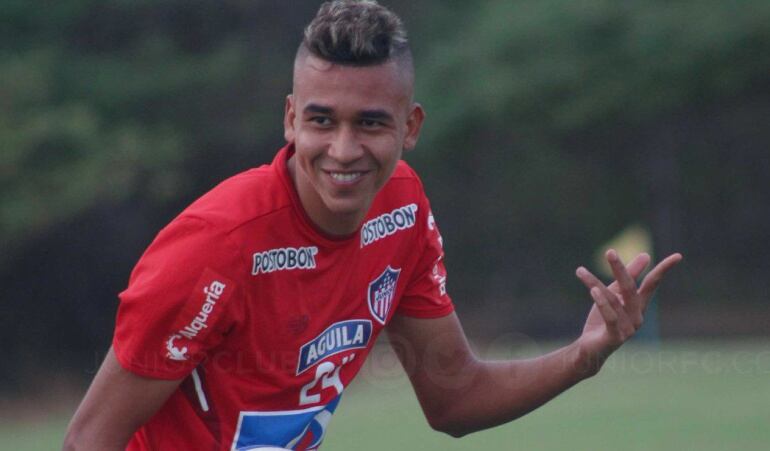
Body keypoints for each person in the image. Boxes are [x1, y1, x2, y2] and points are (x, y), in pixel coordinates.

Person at [63, 1, 682, 450]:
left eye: (370, 123)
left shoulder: (402, 209)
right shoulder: (215, 246)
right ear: (290, 119)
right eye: (322, 121)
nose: (343, 149)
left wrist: (585, 355)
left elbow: (454, 398)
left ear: (410, 127)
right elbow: (89, 440)